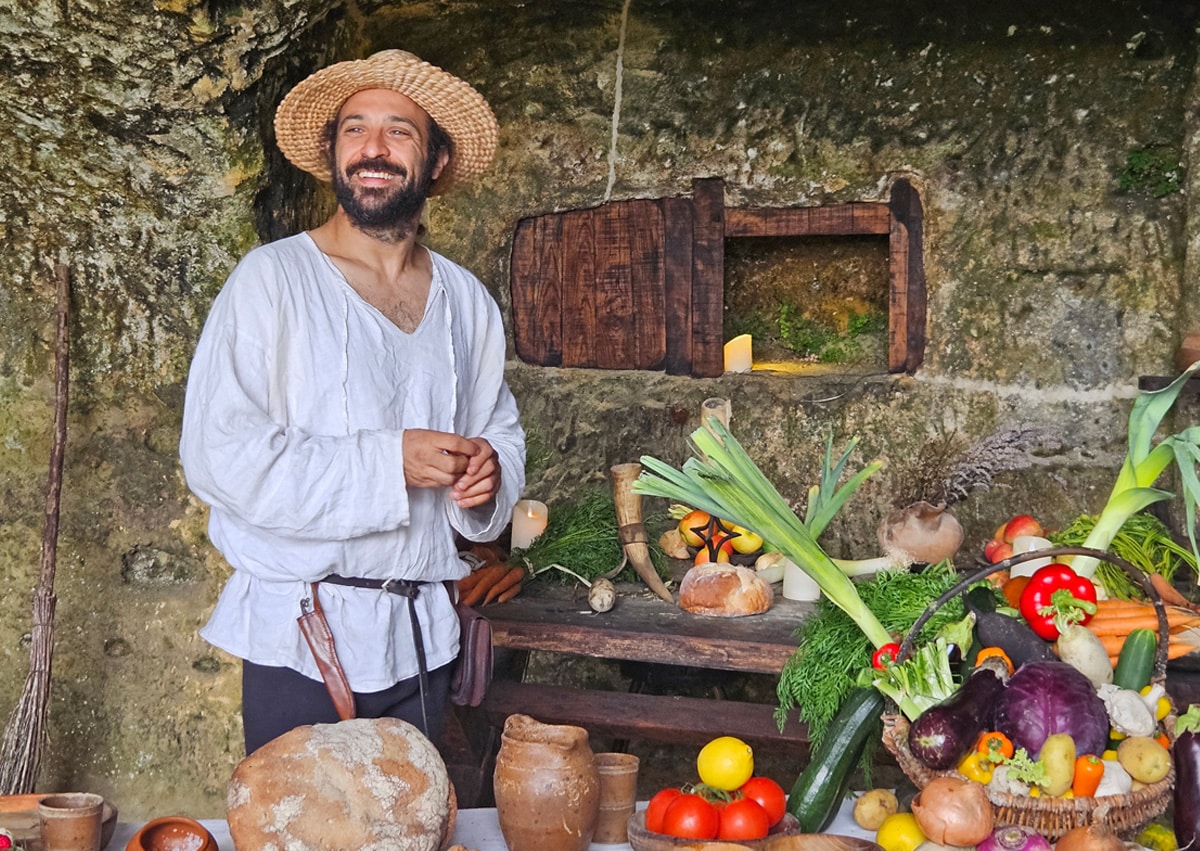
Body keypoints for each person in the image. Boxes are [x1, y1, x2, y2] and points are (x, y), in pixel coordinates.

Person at [179, 49, 525, 754]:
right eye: (355, 130)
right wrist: (388, 461)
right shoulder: (271, 281)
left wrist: (487, 475)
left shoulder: (467, 302)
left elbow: (500, 431)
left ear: (433, 162)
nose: (373, 149)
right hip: (304, 633)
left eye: (399, 131)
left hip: (423, 638)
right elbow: (220, 456)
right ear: (335, 153)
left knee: (412, 830)